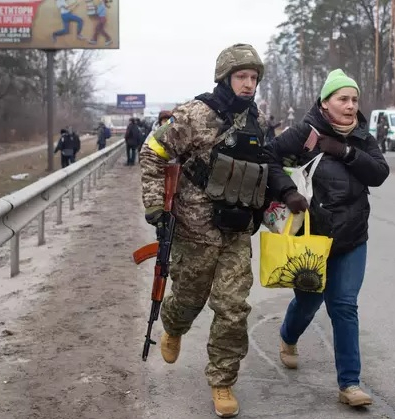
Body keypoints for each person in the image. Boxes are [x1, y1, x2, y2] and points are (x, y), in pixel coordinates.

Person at [140, 43, 270, 418]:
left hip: (237, 232)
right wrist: (154, 206)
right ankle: (173, 326)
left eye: (253, 78)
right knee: (188, 300)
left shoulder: (256, 120)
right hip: (195, 232)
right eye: (241, 77)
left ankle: (222, 381)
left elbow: (265, 164)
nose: (248, 84)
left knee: (233, 308)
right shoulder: (195, 114)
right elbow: (153, 153)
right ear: (225, 78)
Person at [263, 69, 390, 407]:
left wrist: (346, 152)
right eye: (343, 99)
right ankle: (288, 337)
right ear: (325, 102)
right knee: (308, 301)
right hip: (311, 239)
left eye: (354, 99)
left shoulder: (363, 137)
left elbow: (379, 174)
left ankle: (350, 384)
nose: (350, 106)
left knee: (344, 306)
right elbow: (269, 158)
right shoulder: (305, 133)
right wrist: (288, 192)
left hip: (351, 239)